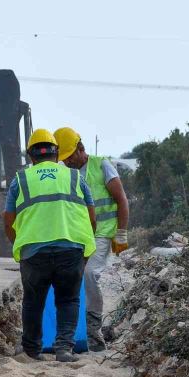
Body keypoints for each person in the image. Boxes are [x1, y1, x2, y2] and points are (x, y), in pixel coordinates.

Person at [2, 129, 96, 362]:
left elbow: (8, 220)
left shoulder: (20, 180)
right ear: (56, 154)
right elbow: (91, 218)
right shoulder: (75, 178)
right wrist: (83, 251)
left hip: (34, 253)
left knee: (33, 302)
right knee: (68, 299)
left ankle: (32, 350)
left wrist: (20, 246)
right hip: (71, 249)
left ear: (31, 156)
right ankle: (64, 349)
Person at [54, 127, 130, 352]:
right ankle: (75, 329)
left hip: (102, 233)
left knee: (89, 274)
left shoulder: (102, 165)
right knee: (72, 277)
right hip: (78, 234)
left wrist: (122, 232)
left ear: (80, 149)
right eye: (63, 159)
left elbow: (122, 199)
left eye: (69, 157)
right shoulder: (66, 172)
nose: (66, 162)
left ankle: (94, 331)